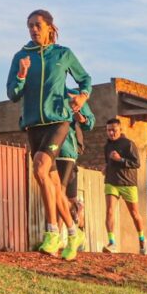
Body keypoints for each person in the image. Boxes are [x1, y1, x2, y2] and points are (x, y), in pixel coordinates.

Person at [6, 9, 91, 262]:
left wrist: (82, 96)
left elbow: (85, 78)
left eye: (38, 25)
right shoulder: (21, 56)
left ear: (50, 28)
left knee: (40, 170)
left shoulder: (63, 54)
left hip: (58, 120)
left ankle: (52, 231)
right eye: (30, 25)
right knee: (53, 184)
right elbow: (12, 93)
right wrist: (21, 74)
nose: (33, 29)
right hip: (33, 124)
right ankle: (74, 233)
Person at [54, 87, 95, 241]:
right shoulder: (49, 91)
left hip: (66, 150)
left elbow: (90, 122)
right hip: (49, 149)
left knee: (59, 194)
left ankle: (57, 236)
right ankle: (77, 209)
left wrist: (81, 118)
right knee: (65, 198)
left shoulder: (76, 95)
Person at [103, 118, 147, 254]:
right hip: (111, 182)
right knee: (109, 211)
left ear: (120, 130)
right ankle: (112, 242)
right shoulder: (107, 146)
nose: (111, 133)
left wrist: (120, 159)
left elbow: (136, 163)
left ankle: (142, 240)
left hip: (128, 183)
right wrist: (105, 167)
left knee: (134, 214)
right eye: (109, 130)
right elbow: (108, 161)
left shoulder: (128, 144)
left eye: (114, 130)